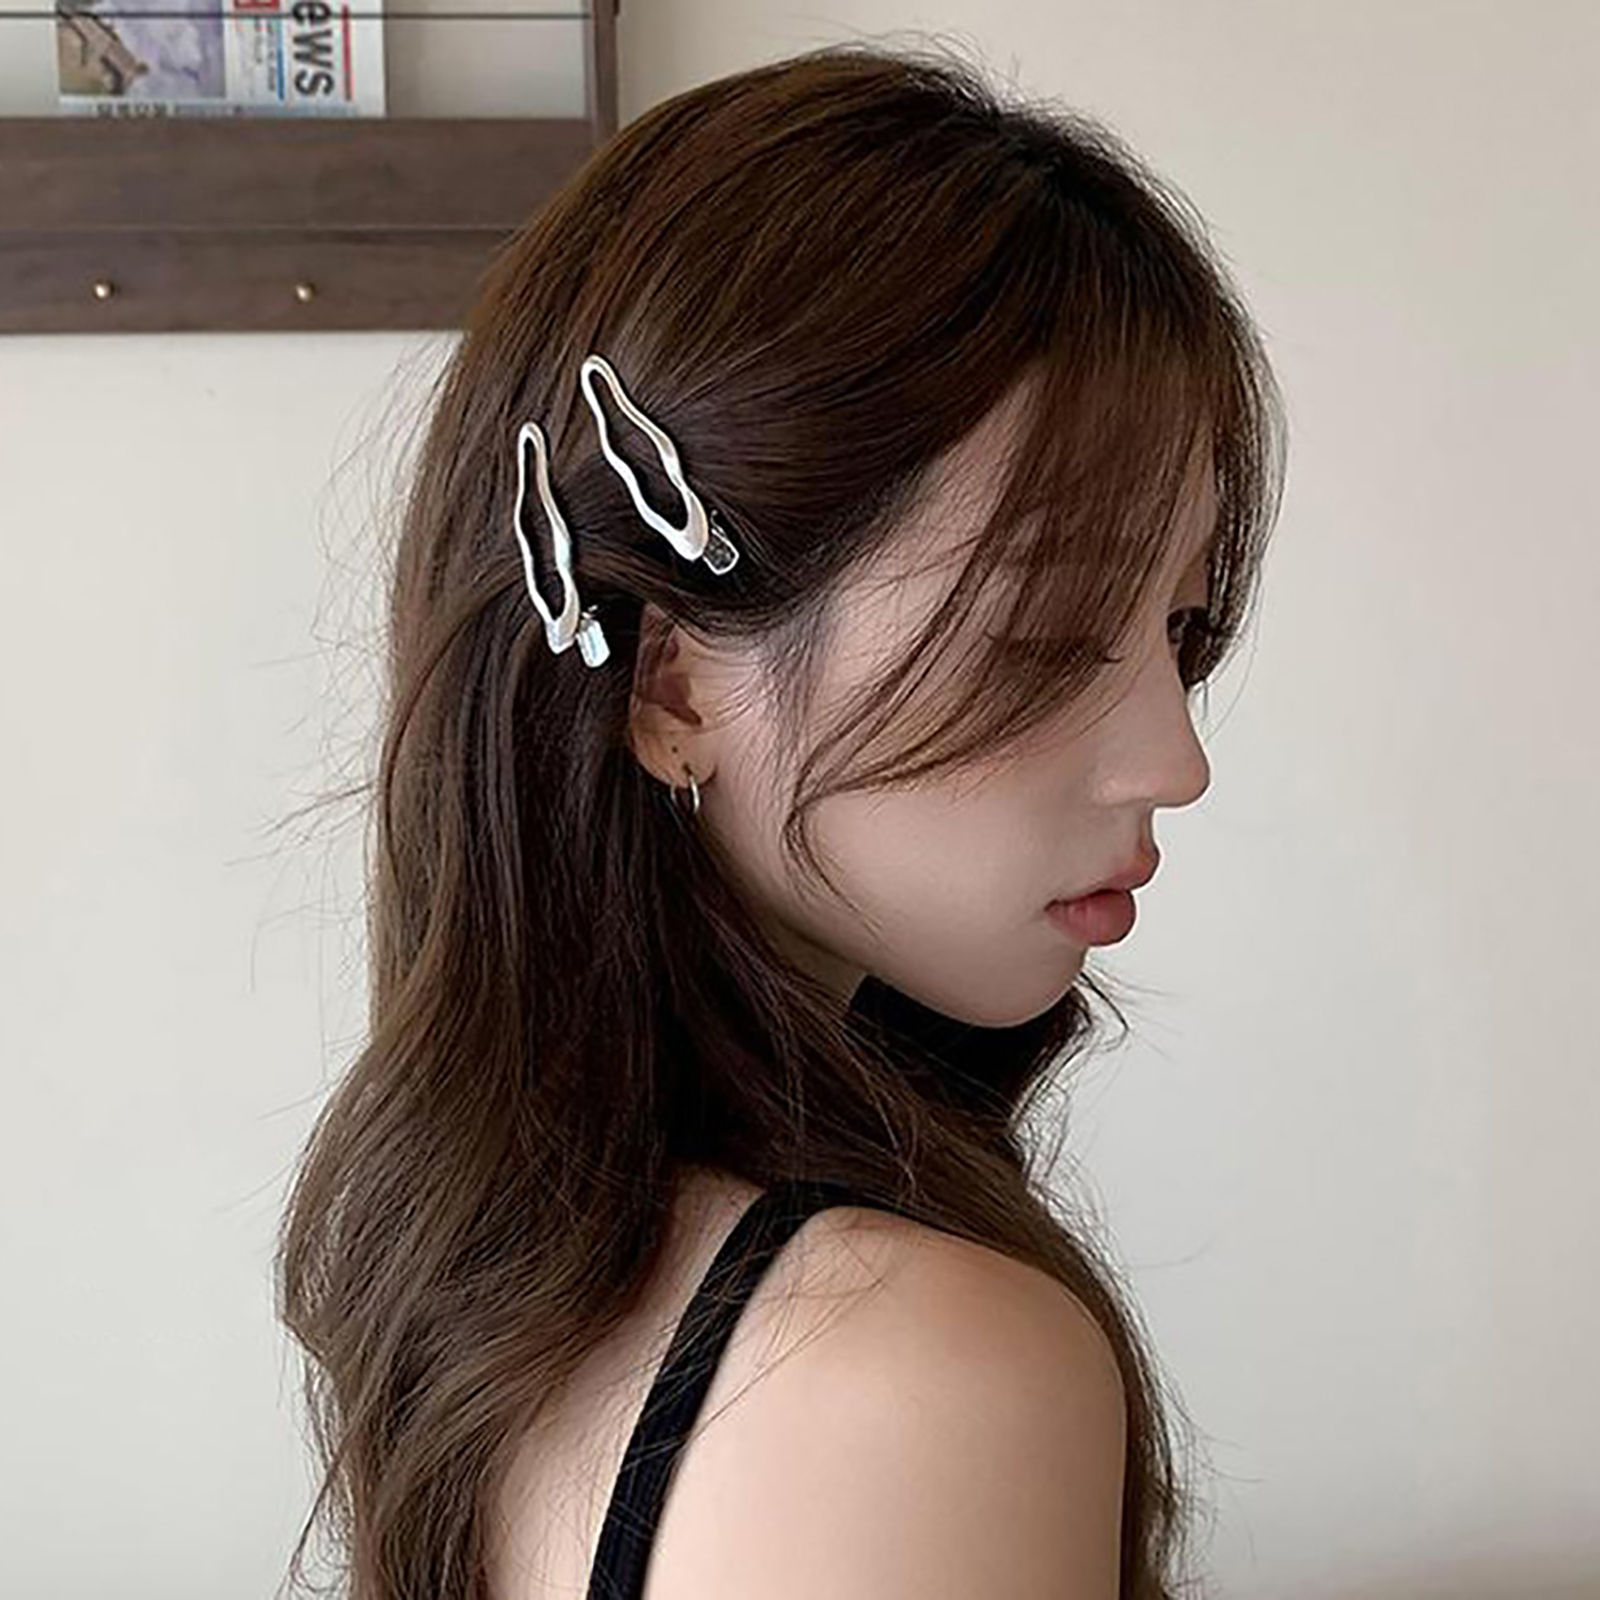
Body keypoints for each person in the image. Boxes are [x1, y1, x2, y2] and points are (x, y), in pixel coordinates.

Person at [275, 38, 1286, 1600]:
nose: (1175, 760)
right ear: (671, 685)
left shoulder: (525, 1276)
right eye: (1045, 636)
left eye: (1183, 625)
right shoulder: (907, 1371)